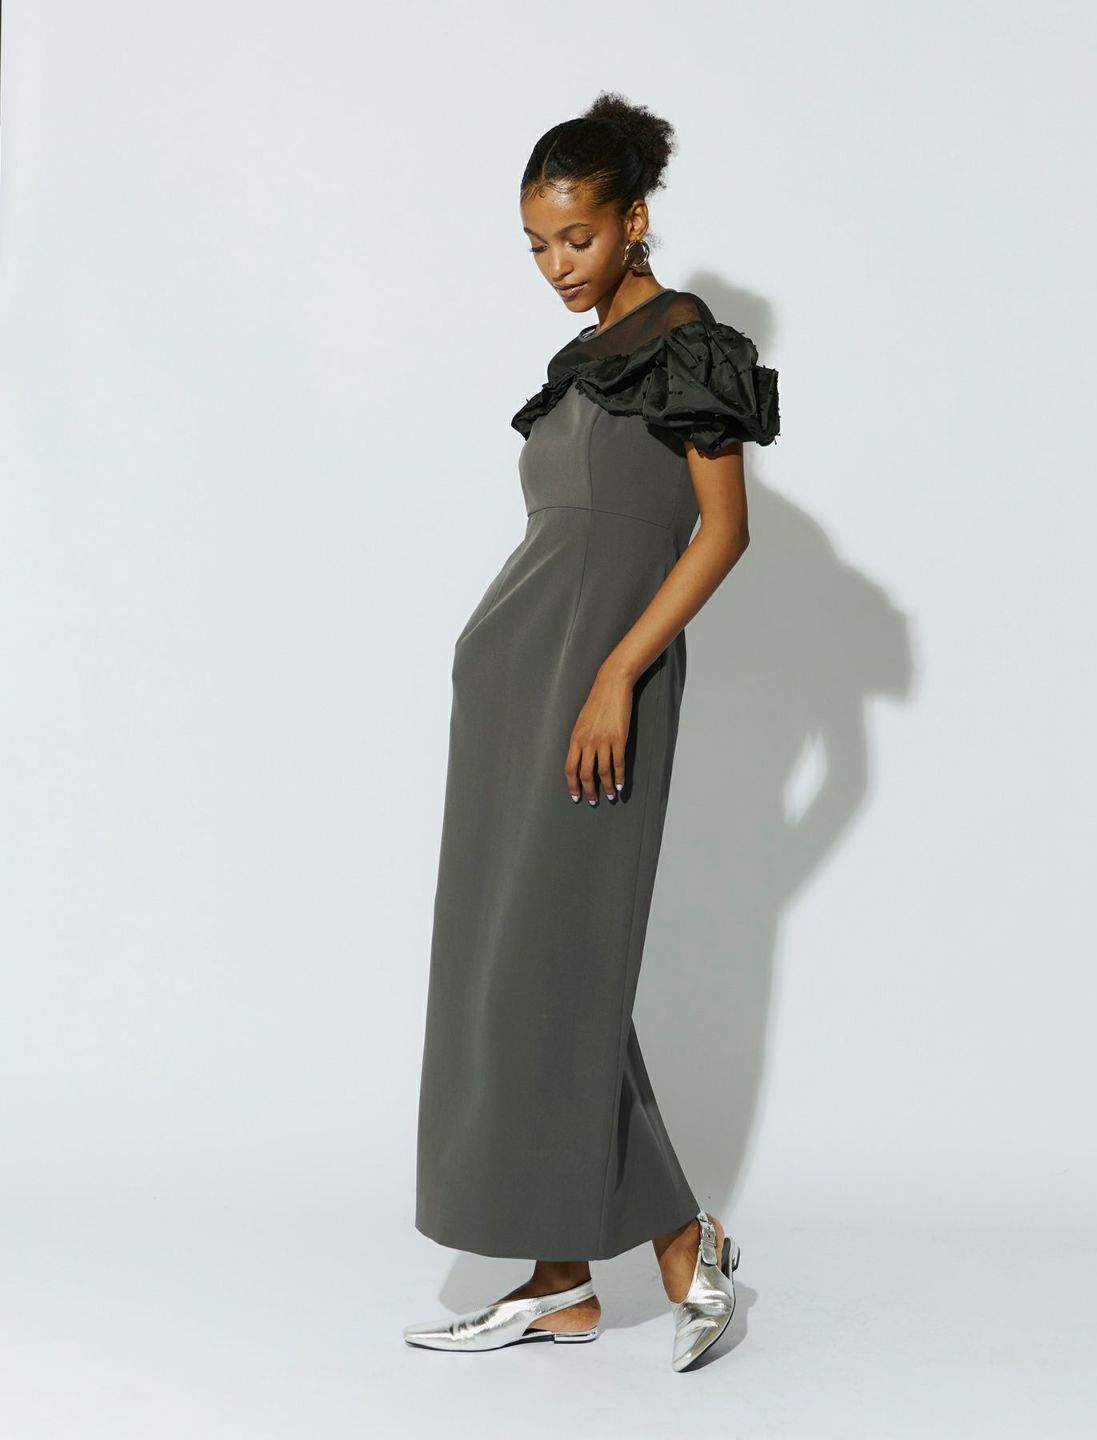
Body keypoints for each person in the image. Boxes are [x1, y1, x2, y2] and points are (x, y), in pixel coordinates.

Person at [404, 91, 780, 1372]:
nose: (558, 265)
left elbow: (723, 532)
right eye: (536, 244)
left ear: (634, 219)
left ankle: (678, 1246)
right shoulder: (582, 361)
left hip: (599, 698)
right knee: (509, 966)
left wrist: (621, 670)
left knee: (558, 968)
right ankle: (562, 1282)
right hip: (516, 694)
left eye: (577, 236)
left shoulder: (691, 345)